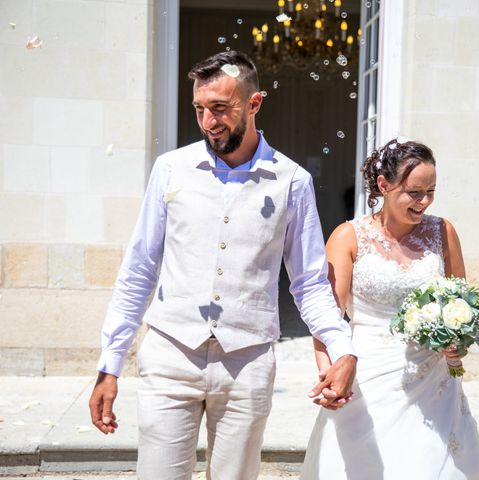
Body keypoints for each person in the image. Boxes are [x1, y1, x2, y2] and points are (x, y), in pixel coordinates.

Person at [88, 50, 357, 480]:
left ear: (254, 104)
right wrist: (110, 361)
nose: (210, 121)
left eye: (221, 108)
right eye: (200, 109)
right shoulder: (170, 169)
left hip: (247, 364)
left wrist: (342, 348)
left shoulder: (293, 182)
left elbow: (308, 283)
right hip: (169, 356)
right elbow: (139, 268)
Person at [301, 139, 479, 479]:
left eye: (431, 191)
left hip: (434, 383)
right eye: (414, 192)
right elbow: (326, 318)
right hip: (369, 376)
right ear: (384, 185)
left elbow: (463, 302)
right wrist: (329, 375)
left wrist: (456, 341)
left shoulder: (443, 232)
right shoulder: (348, 237)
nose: (424, 202)